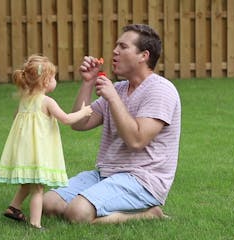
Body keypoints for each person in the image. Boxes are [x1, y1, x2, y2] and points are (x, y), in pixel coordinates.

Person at [42, 24, 181, 224]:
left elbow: (136, 140)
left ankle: (149, 214)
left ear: (143, 56)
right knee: (48, 203)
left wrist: (114, 99)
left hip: (143, 180)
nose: (115, 51)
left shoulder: (160, 90)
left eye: (123, 47)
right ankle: (95, 206)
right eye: (116, 46)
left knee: (77, 214)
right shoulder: (120, 88)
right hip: (107, 174)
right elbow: (80, 123)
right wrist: (88, 83)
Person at [0, 55, 93, 229]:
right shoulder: (47, 102)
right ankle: (35, 224)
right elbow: (67, 119)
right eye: (53, 77)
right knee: (38, 189)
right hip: (38, 152)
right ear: (45, 81)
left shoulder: (25, 100)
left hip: (25, 151)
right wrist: (84, 112)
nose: (55, 81)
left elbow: (16, 120)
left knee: (28, 183)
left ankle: (13, 208)